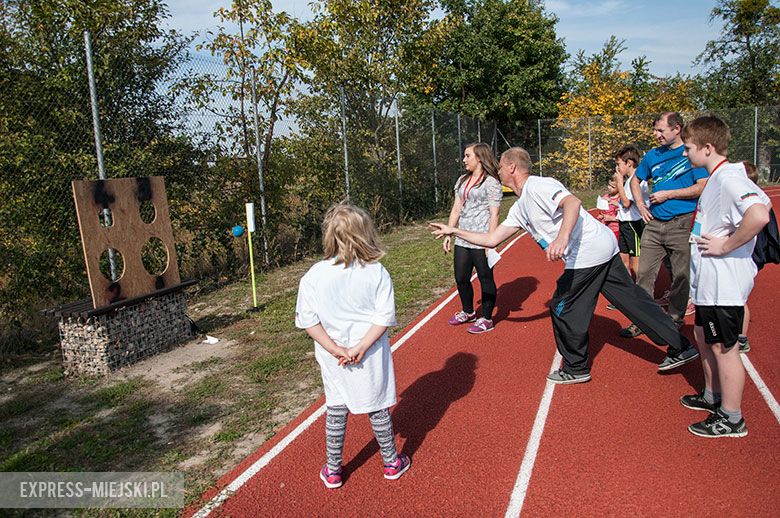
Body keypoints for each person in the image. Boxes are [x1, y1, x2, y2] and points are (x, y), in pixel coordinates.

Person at [430, 147, 699, 384]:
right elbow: (491, 239)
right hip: (602, 248)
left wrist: (562, 238)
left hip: (588, 254)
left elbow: (572, 202)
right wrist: (454, 231)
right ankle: (681, 346)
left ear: (512, 167)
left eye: (500, 166)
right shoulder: (520, 207)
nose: (498, 171)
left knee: (562, 308)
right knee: (633, 301)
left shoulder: (538, 186)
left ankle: (576, 367)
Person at [295, 203, 411, 488]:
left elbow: (308, 321)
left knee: (336, 406)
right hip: (369, 354)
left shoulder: (314, 275)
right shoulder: (377, 272)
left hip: (333, 357)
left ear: (329, 236)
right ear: (365, 234)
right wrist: (361, 347)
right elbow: (384, 317)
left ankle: (333, 469)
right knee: (377, 405)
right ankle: (391, 461)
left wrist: (335, 349)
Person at [678, 116, 770, 438]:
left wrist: (726, 245)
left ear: (707, 147)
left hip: (724, 286)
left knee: (724, 348)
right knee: (704, 337)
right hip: (708, 286)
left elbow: (759, 215)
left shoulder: (730, 178)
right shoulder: (715, 178)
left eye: (688, 148)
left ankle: (732, 418)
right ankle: (712, 395)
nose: (685, 153)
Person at [620, 112, 709, 338]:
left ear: (676, 129)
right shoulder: (651, 156)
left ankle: (675, 319)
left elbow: (702, 186)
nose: (656, 134)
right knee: (644, 275)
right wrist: (640, 204)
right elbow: (634, 181)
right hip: (655, 223)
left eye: (661, 130)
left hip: (683, 223)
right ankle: (642, 320)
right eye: (655, 130)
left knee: (681, 276)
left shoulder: (690, 153)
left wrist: (669, 194)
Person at [443, 142, 503, 334]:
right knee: (461, 277)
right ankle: (468, 312)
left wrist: (490, 242)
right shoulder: (462, 180)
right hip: (462, 237)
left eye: (467, 156)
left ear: (479, 158)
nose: (464, 160)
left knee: (485, 278)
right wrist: (448, 233)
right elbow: (456, 208)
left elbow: (495, 214)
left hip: (482, 238)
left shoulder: (491, 182)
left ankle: (486, 318)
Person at [613, 144, 648, 281]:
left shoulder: (637, 180)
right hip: (624, 223)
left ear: (629, 163)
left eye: (619, 164)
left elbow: (627, 203)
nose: (617, 168)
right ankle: (629, 294)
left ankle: (643, 293)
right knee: (623, 262)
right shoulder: (628, 181)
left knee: (635, 264)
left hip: (633, 225)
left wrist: (619, 184)